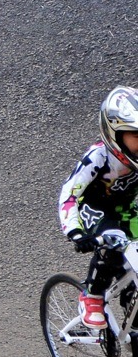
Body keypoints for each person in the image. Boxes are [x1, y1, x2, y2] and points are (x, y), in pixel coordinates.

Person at [59, 85, 138, 329]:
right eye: (136, 136)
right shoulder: (98, 158)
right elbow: (69, 195)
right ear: (114, 134)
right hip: (94, 210)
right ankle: (92, 296)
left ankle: (132, 311)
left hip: (126, 209)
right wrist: (75, 232)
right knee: (114, 242)